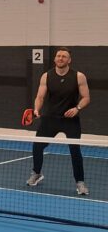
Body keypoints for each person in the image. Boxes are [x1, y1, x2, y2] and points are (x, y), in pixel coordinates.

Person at [27, 47, 91, 196]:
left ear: (69, 60)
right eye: (58, 56)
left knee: (75, 151)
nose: (60, 58)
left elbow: (86, 97)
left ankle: (80, 182)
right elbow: (40, 97)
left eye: (64, 56)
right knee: (37, 147)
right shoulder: (46, 76)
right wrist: (36, 109)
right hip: (50, 118)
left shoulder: (78, 76)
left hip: (71, 120)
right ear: (55, 59)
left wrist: (77, 108)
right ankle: (36, 173)